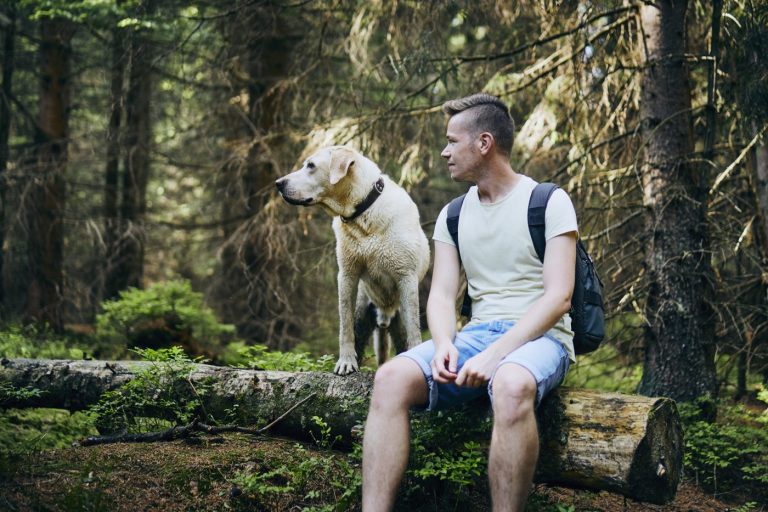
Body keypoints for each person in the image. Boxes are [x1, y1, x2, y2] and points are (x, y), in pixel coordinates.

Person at [361, 93, 579, 512]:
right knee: (389, 379)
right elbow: (442, 295)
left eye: (451, 141)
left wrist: (498, 354)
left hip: (542, 338)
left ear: (484, 143)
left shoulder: (549, 202)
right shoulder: (454, 215)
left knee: (511, 383)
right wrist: (444, 342)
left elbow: (559, 298)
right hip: (477, 336)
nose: (445, 152)